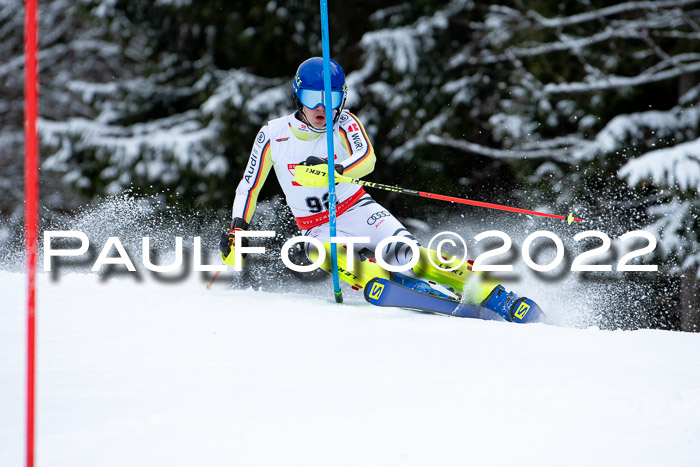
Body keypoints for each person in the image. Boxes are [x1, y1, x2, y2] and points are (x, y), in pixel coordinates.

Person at [220, 57, 542, 323]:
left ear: (342, 98)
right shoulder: (273, 134)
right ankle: (390, 282)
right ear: (297, 97)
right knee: (321, 252)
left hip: (358, 209)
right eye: (312, 99)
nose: (321, 109)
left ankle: (493, 294)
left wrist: (335, 172)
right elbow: (250, 185)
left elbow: (367, 159)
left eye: (330, 99)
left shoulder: (344, 123)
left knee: (405, 253)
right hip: (317, 225)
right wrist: (238, 227)